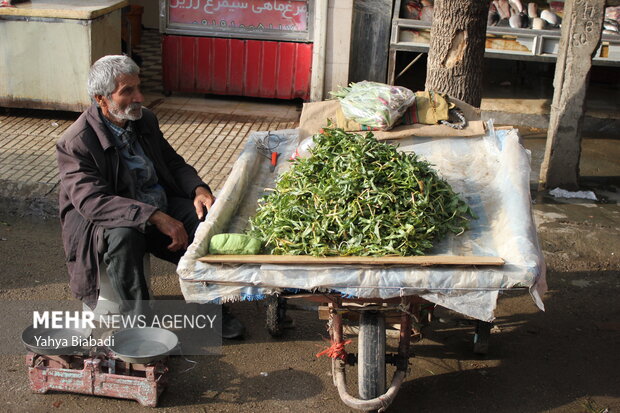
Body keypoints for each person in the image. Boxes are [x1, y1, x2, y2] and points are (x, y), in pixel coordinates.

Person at [56, 55, 244, 338]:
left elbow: (172, 162)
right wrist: (154, 217)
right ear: (101, 99)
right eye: (127, 92)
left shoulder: (144, 120)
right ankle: (138, 324)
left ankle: (212, 309)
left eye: (138, 88)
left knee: (206, 222)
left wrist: (198, 189)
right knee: (124, 238)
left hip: (156, 204)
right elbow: (93, 203)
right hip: (108, 220)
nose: (139, 97)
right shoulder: (76, 142)